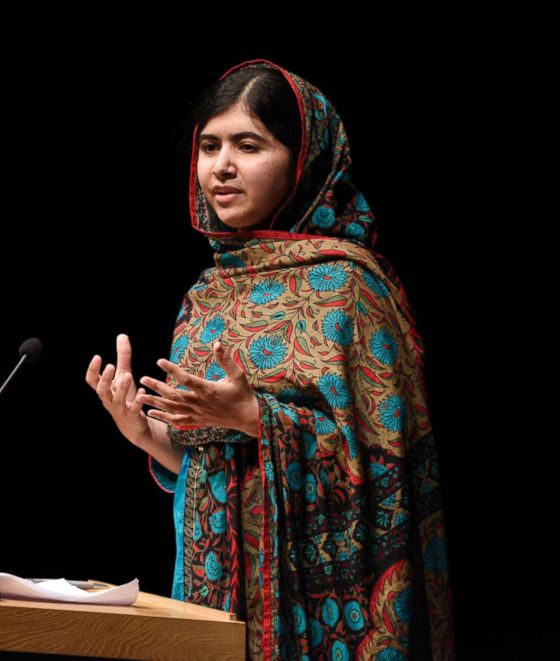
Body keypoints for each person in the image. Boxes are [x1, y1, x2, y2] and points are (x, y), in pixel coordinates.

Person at [84, 58, 455, 660]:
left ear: (304, 159)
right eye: (209, 146)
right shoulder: (206, 295)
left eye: (248, 145)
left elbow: (386, 474)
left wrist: (260, 418)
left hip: (327, 611)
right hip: (215, 596)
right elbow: (212, 469)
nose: (220, 167)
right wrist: (149, 435)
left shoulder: (350, 290)